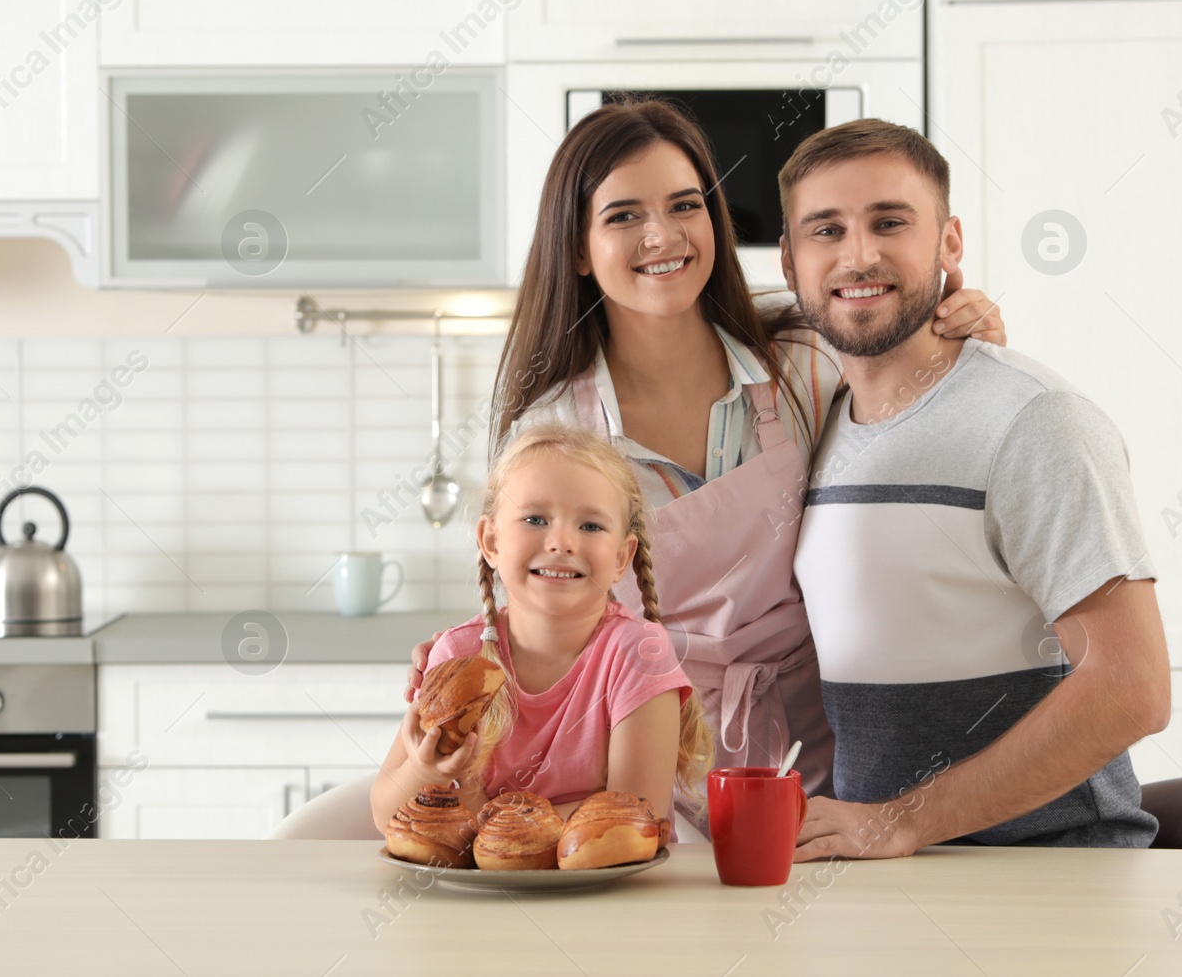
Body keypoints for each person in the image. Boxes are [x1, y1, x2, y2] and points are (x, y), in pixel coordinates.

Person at [403, 99, 1008, 833]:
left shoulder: (804, 358)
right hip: (656, 769)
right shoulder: (554, 432)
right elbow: (542, 598)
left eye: (684, 205)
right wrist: (470, 646)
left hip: (844, 769)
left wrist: (965, 340)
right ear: (576, 248)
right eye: (623, 215)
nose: (662, 236)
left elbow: (929, 440)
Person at [780, 119, 1171, 857]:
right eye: (825, 230)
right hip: (887, 878)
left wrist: (902, 821)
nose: (858, 253)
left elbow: (1133, 685)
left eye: (889, 222)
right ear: (791, 260)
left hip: (1051, 875)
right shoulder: (814, 423)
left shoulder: (1034, 420)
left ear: (950, 243)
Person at [371, 424, 710, 832]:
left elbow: (636, 818)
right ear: (491, 542)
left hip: (609, 895)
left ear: (622, 556)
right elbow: (384, 816)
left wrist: (483, 818)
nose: (561, 542)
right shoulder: (458, 656)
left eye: (590, 526)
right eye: (535, 518)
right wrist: (425, 772)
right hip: (477, 896)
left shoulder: (638, 654)